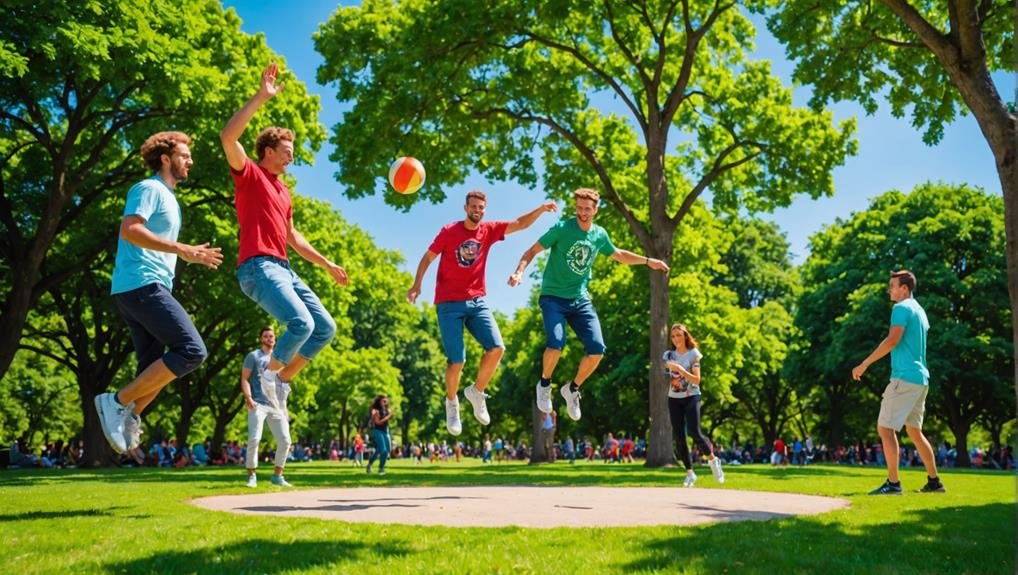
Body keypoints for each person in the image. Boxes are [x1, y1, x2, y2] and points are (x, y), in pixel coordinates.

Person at [220, 62, 347, 409]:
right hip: (257, 268)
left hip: (285, 269)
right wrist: (261, 97)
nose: (292, 156)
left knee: (325, 328)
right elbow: (228, 137)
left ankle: (281, 380)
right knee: (300, 323)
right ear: (268, 152)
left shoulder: (284, 192)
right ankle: (267, 378)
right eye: (286, 150)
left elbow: (293, 236)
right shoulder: (249, 176)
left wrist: (326, 263)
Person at [95, 131, 222, 454]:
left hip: (145, 287)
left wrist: (185, 254)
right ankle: (116, 401)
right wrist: (182, 249)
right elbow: (130, 229)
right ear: (165, 159)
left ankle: (130, 414)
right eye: (184, 155)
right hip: (141, 284)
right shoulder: (149, 188)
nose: (190, 161)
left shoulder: (169, 197)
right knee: (192, 350)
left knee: (153, 369)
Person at [509, 188, 669, 420]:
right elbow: (531, 251)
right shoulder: (562, 229)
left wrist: (648, 261)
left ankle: (572, 389)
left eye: (587, 209)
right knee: (556, 343)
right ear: (575, 208)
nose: (583, 213)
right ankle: (544, 384)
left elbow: (619, 255)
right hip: (553, 297)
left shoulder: (599, 234)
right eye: (579, 208)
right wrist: (518, 272)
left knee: (597, 350)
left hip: (580, 299)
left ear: (595, 210)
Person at [408, 191, 557, 435]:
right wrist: (417, 285)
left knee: (497, 348)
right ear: (465, 207)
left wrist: (540, 210)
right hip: (448, 304)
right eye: (474, 206)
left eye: (481, 207)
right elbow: (428, 257)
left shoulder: (488, 230)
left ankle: (477, 392)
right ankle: (452, 402)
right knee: (457, 361)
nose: (478, 210)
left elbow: (520, 224)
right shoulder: (449, 231)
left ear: (484, 210)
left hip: (477, 301)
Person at [852, 270, 945, 495]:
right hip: (921, 379)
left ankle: (893, 484)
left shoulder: (901, 308)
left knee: (885, 428)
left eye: (892, 285)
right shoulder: (920, 311)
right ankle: (934, 483)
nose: (889, 289)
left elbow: (893, 340)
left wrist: (864, 363)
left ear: (904, 288)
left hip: (904, 377)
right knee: (915, 432)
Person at [664, 323, 724, 487]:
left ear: (685, 336)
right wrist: (668, 368)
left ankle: (713, 460)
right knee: (679, 436)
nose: (676, 338)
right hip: (674, 398)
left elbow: (697, 380)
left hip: (692, 396)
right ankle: (690, 473)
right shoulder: (668, 355)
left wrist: (680, 369)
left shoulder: (694, 354)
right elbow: (667, 372)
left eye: (679, 335)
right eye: (673, 336)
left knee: (694, 431)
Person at [241, 326, 293, 488]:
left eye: (272, 336)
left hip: (276, 406)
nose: (269, 338)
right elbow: (244, 378)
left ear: (275, 340)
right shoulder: (253, 356)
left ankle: (277, 475)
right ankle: (251, 475)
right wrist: (248, 397)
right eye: (266, 336)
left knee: (285, 440)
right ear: (261, 339)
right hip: (258, 404)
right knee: (254, 439)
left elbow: (283, 382)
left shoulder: (280, 359)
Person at [366, 395, 393, 475]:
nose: (385, 402)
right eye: (383, 401)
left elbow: (388, 419)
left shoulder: (387, 410)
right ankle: (381, 468)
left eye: (386, 401)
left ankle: (370, 464)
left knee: (385, 450)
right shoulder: (375, 410)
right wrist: (388, 416)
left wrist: (389, 415)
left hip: (386, 431)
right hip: (377, 431)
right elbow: (378, 422)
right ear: (379, 401)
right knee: (383, 451)